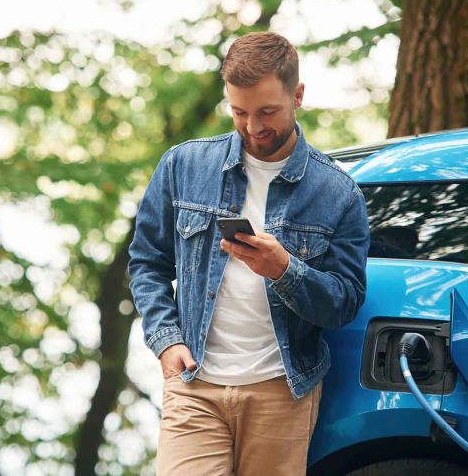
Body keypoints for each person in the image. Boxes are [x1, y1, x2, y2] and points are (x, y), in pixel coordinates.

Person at [128, 31, 369, 475]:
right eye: (239, 112)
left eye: (267, 112)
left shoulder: (339, 193)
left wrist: (284, 270)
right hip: (194, 384)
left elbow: (345, 302)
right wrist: (166, 340)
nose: (254, 127)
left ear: (298, 96)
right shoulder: (183, 166)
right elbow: (146, 263)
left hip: (282, 392)